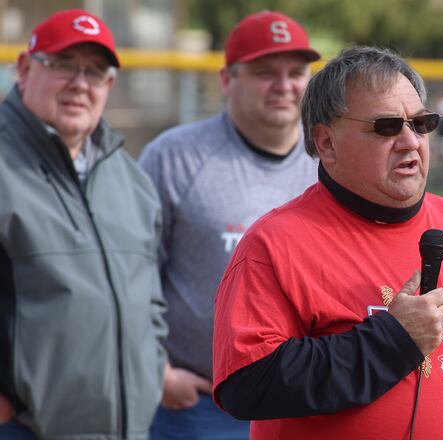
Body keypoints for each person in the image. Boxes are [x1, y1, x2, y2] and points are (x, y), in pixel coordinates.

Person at [211, 46, 443, 440]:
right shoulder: (276, 242)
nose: (410, 141)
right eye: (386, 127)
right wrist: (390, 341)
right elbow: (248, 384)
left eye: (421, 123)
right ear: (326, 142)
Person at [138, 10, 321, 439]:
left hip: (305, 398)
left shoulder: (331, 159)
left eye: (297, 72)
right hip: (199, 402)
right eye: (264, 72)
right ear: (226, 79)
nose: (284, 85)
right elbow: (133, 272)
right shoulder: (175, 155)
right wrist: (157, 370)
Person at [0, 9, 167, 439]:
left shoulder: (131, 179)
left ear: (108, 86)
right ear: (24, 69)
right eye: (63, 65)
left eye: (95, 72)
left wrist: (149, 376)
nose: (80, 83)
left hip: (128, 428)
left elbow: (150, 303)